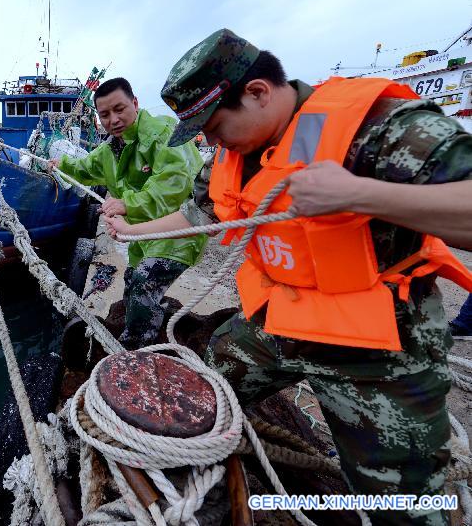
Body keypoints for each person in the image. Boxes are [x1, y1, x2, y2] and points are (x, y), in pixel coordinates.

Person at [106, 29, 472, 525]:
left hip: (379, 350)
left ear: (257, 92)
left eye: (214, 126)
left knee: (400, 507)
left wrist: (361, 195)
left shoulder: (378, 127)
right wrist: (130, 230)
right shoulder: (233, 152)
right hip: (279, 324)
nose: (209, 141)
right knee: (192, 395)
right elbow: (203, 213)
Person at [47, 77, 206, 349]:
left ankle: (135, 352)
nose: (114, 119)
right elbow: (85, 167)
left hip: (177, 232)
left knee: (144, 281)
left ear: (135, 103)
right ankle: (154, 320)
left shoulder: (161, 133)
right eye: (105, 114)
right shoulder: (109, 150)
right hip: (140, 238)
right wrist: (62, 164)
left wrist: (127, 203)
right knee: (132, 281)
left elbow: (175, 182)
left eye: (120, 109)